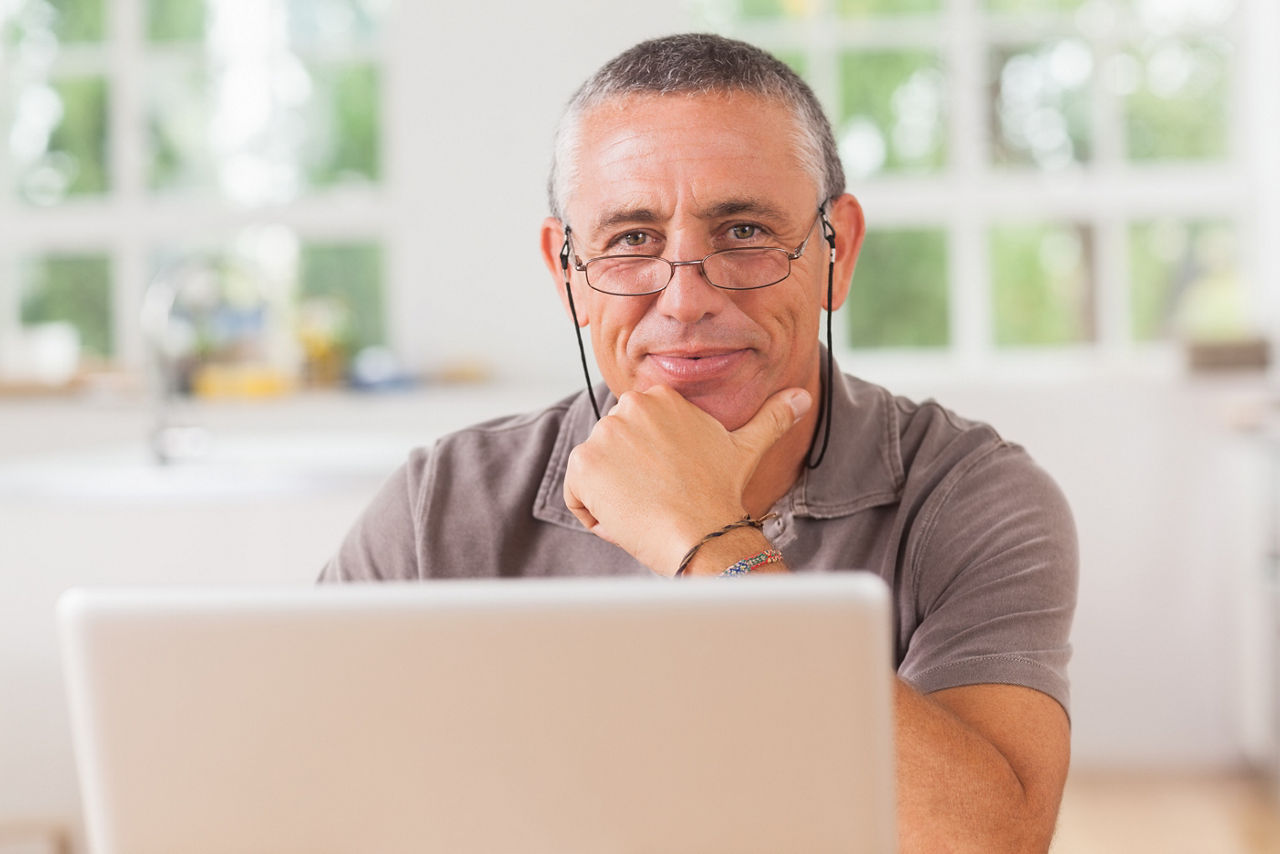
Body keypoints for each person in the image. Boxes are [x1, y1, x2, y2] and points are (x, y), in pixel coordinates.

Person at [322, 33, 1077, 854]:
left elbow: (989, 841)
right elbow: (292, 788)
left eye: (744, 230)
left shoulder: (971, 497)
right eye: (631, 239)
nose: (684, 299)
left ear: (838, 251)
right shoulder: (440, 506)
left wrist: (710, 544)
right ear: (566, 271)